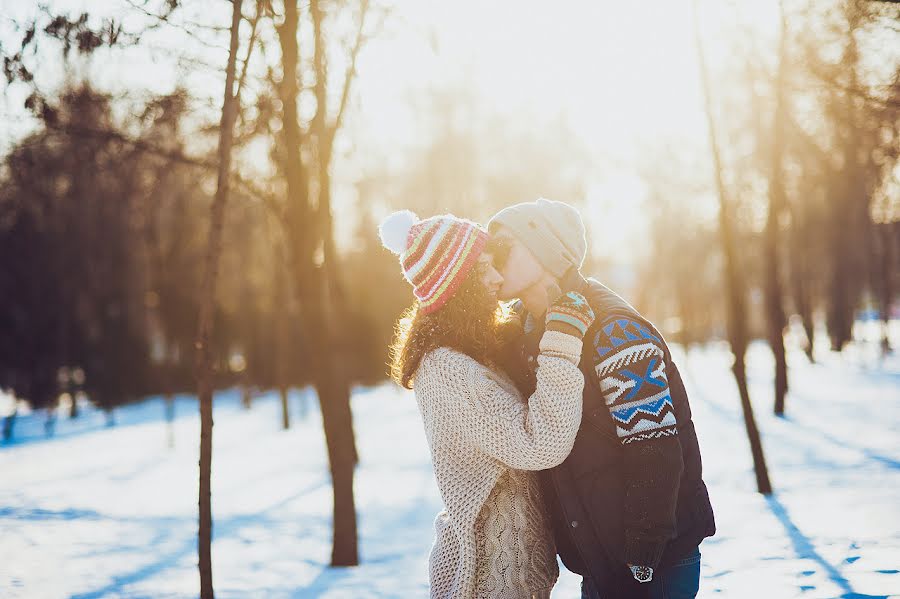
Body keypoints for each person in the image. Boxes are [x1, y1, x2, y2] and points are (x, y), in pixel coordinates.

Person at [486, 199, 716, 599]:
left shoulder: (614, 332)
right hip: (600, 562)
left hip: (651, 565)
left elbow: (655, 450)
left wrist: (639, 559)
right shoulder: (530, 332)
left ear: (547, 252)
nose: (492, 259)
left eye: (505, 246)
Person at [380, 209, 596, 599]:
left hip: (509, 574)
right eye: (483, 269)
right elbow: (540, 443)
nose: (497, 277)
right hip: (485, 580)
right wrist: (562, 343)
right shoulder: (447, 369)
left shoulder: (472, 353)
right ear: (457, 286)